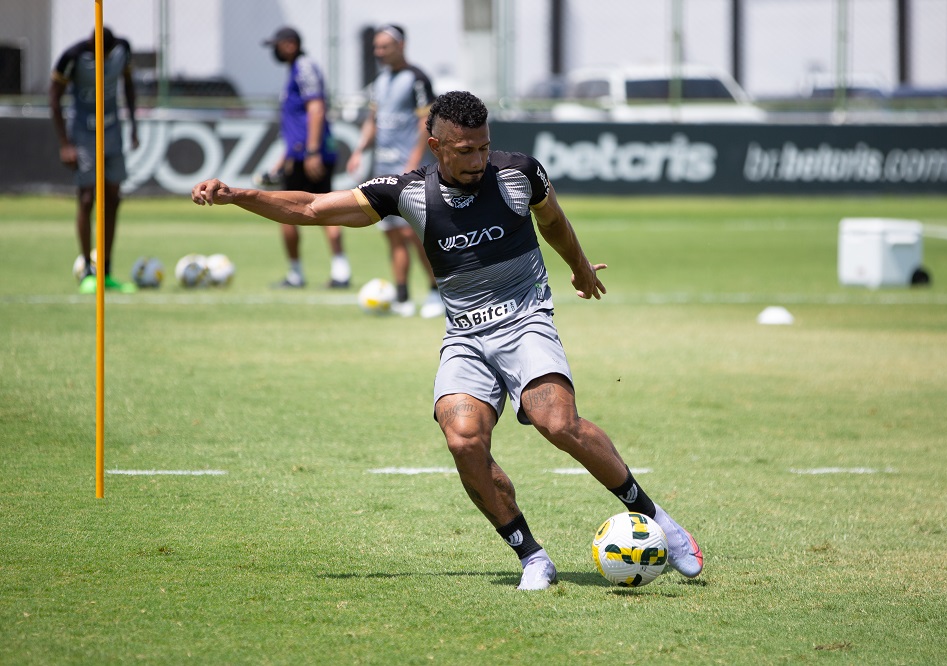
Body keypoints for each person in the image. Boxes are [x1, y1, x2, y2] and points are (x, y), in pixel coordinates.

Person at [192, 91, 702, 591]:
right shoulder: (407, 191)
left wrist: (579, 266)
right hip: (465, 334)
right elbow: (310, 208)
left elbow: (554, 222)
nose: (478, 159)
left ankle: (654, 516)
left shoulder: (519, 173)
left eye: (483, 146)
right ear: (436, 146)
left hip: (525, 318)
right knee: (463, 439)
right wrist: (240, 195)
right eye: (465, 151)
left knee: (556, 421)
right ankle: (532, 556)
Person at [346, 24, 442, 318]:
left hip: (408, 170)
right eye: (376, 47)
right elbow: (373, 119)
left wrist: (413, 160)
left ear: (400, 45)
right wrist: (360, 150)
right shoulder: (381, 80)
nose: (378, 52)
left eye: (384, 46)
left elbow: (426, 122)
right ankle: (402, 296)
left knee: (416, 235)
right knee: (392, 234)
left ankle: (435, 292)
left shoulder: (417, 79)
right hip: (382, 168)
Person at [49, 27, 139, 294]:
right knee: (87, 197)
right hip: (83, 134)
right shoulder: (73, 57)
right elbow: (54, 97)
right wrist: (65, 144)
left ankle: (106, 270)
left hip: (112, 132)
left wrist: (134, 125)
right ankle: (87, 270)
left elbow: (129, 85)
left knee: (113, 197)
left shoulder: (123, 50)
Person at [261, 26, 351, 289]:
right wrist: (280, 162)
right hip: (303, 153)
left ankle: (297, 274)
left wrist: (311, 151)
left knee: (287, 212)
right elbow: (295, 126)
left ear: (289, 44)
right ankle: (340, 271)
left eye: (276, 45)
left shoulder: (303, 68)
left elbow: (316, 107)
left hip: (308, 155)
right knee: (326, 210)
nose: (274, 51)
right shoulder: (296, 70)